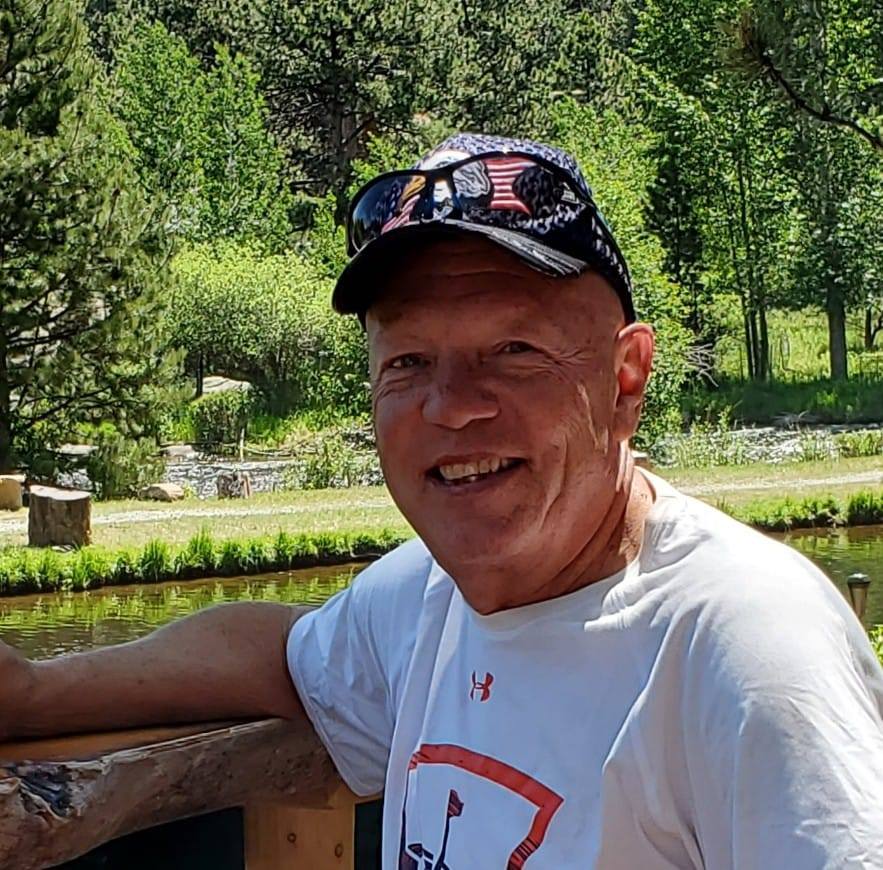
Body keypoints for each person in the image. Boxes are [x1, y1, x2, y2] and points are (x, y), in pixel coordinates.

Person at [2, 134, 882, 868]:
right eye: (408, 362)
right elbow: (281, 657)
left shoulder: (744, 648)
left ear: (625, 378)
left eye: (513, 351)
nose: (450, 406)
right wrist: (34, 692)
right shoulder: (426, 600)